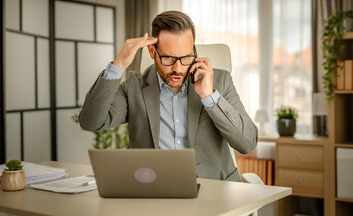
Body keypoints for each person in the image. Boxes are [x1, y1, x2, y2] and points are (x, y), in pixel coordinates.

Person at [79, 11, 257, 181]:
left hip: (214, 192)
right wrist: (118, 65)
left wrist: (209, 97)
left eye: (186, 57)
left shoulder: (220, 81)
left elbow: (247, 143)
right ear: (152, 52)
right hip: (156, 191)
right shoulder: (134, 88)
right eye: (169, 59)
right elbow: (91, 121)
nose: (178, 69)